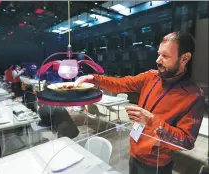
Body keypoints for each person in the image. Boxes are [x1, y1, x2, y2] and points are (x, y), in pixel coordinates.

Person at [75, 31, 205, 174]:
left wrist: (151, 121)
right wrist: (94, 79)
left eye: (165, 56)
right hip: (135, 152)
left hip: (157, 164)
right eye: (159, 54)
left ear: (184, 58)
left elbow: (187, 142)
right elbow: (121, 83)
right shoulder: (151, 76)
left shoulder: (193, 95)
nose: (158, 60)